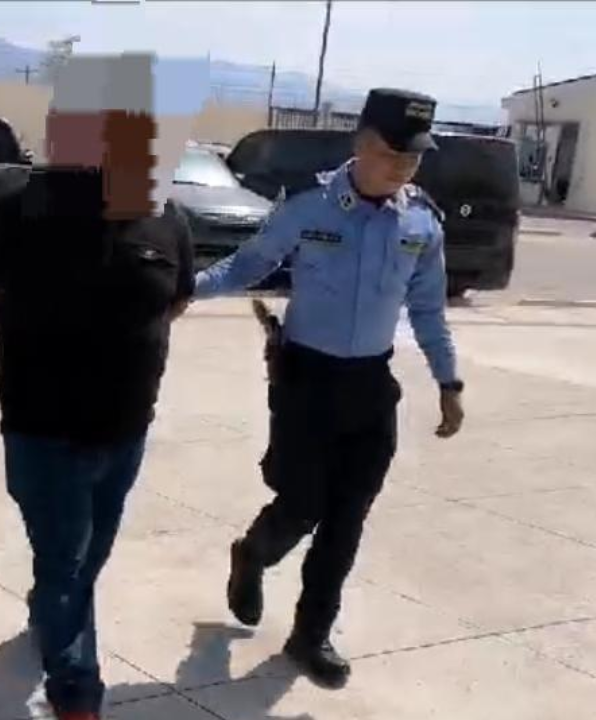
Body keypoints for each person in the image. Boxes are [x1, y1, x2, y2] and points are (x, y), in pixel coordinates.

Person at [191, 88, 466, 688]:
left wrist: (449, 379)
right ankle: (252, 553)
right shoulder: (308, 206)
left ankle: (310, 635)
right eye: (392, 152)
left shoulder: (421, 221)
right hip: (306, 384)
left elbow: (428, 310)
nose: (403, 166)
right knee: (302, 506)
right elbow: (248, 265)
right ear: (361, 143)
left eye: (414, 156)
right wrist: (185, 289)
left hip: (370, 387)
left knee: (347, 520)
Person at [0, 54, 196, 720]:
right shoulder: (22, 208)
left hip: (125, 432)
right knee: (64, 560)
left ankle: (50, 615)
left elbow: (176, 297)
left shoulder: (165, 215)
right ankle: (76, 692)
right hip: (42, 429)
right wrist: (12, 334)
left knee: (86, 560)